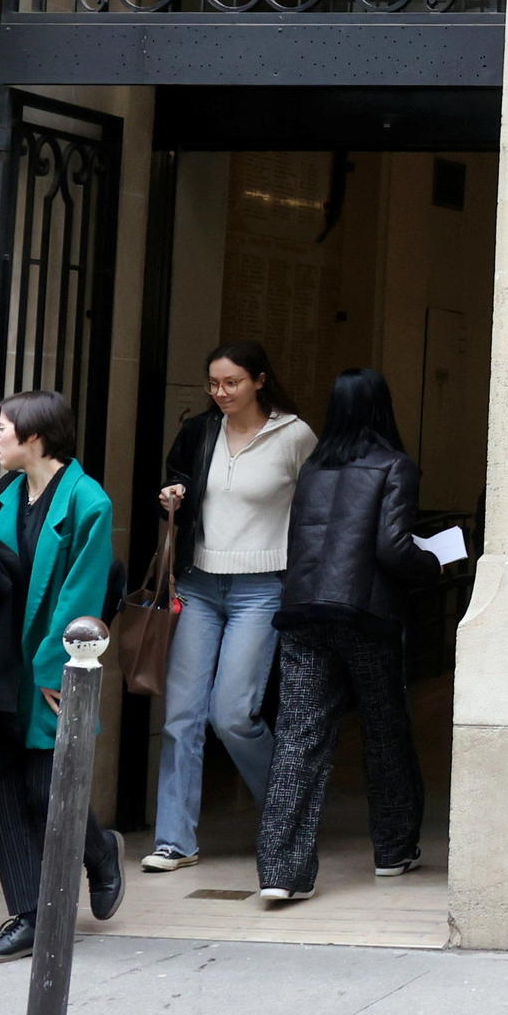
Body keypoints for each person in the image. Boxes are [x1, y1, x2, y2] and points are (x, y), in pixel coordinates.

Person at [254, 370, 441, 906]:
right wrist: (433, 562)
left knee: (298, 737)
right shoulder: (393, 465)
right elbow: (393, 547)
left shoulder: (314, 468)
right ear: (383, 408)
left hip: (303, 612)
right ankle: (393, 848)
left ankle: (281, 870)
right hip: (364, 615)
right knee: (385, 730)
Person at [0, 392, 125, 962]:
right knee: (2, 781)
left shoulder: (88, 501)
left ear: (33, 435)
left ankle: (100, 852)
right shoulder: (5, 494)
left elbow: (84, 593)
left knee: (45, 783)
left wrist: (53, 669)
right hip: (1, 665)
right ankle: (28, 915)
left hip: (52, 668)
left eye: (1, 427)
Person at [146, 342, 315, 873]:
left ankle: (287, 812)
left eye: (232, 383)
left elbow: (318, 510)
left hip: (261, 587)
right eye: (214, 384)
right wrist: (172, 495)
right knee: (180, 717)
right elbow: (180, 483)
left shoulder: (294, 435)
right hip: (199, 583)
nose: (221, 393)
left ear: (259, 381)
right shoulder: (200, 431)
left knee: (233, 716)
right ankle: (175, 840)